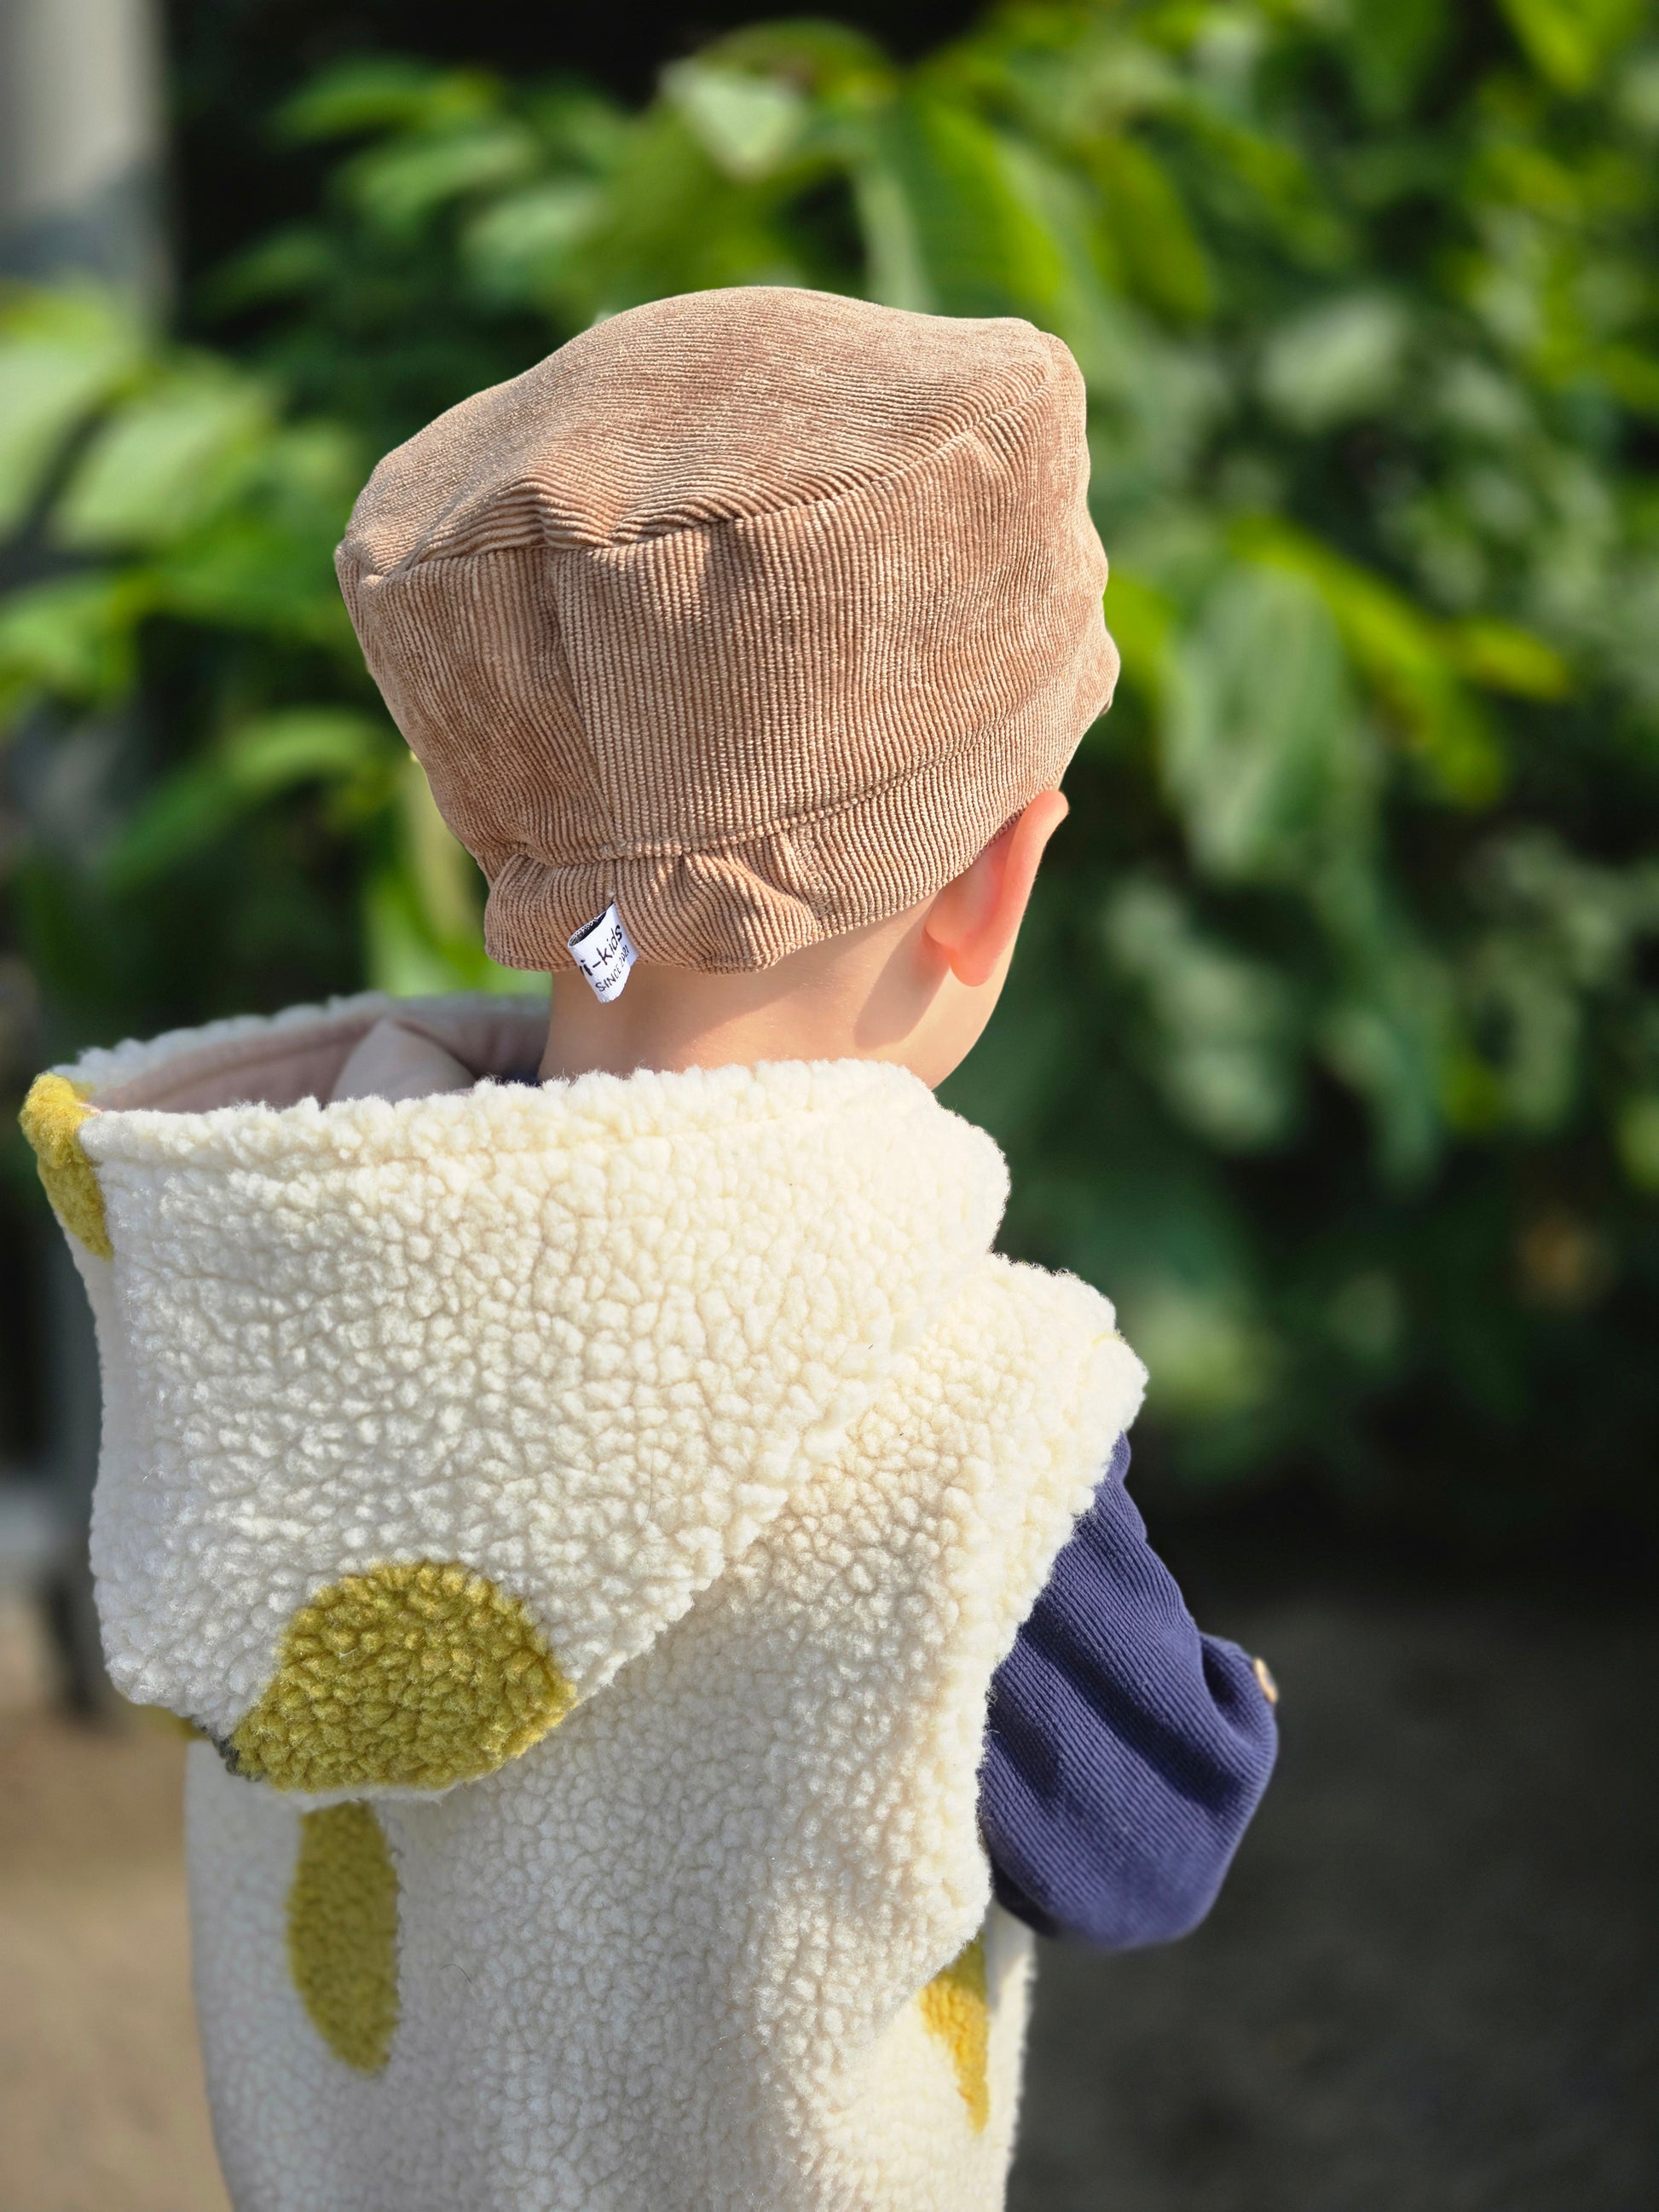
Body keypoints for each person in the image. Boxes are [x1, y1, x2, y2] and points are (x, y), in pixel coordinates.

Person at [21, 286, 1275, 2212]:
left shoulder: (300, 1254)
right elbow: (1144, 1835)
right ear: (994, 880)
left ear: (511, 830)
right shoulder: (954, 1398)